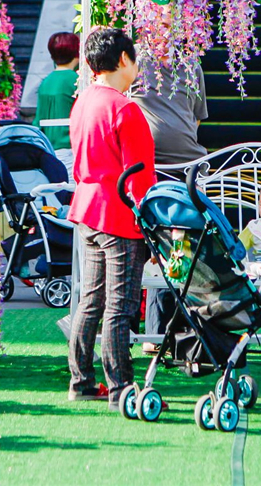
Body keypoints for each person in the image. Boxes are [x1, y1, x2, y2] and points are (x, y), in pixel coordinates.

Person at [66, 28, 157, 408]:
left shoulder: (84, 101)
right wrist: (151, 224)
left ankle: (82, 380)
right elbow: (140, 177)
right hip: (118, 212)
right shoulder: (125, 108)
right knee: (119, 305)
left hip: (88, 207)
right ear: (123, 60)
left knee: (92, 299)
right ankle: (121, 387)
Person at [129, 53, 208, 165]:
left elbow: (197, 117)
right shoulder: (134, 60)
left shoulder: (191, 66)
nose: (165, 36)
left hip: (189, 160)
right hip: (147, 161)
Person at [35, 32, 80, 174]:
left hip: (49, 151)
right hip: (71, 150)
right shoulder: (77, 81)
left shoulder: (46, 82)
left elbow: (38, 121)